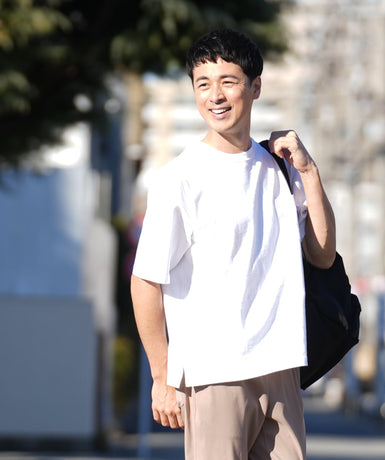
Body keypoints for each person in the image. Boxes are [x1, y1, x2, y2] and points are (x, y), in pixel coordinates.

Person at [131, 28, 336, 460]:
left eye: (228, 81)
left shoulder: (280, 169)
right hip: (213, 372)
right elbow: (146, 281)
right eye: (203, 84)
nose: (215, 96)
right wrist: (162, 376)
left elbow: (321, 255)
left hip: (281, 365)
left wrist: (309, 172)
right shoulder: (178, 179)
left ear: (255, 87)